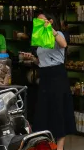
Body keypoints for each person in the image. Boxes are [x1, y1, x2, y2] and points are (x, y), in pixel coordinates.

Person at [23, 11, 72, 140]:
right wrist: (32, 59)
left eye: (42, 21)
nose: (39, 23)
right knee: (43, 112)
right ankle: (45, 145)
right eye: (37, 21)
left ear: (50, 21)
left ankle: (60, 148)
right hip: (45, 77)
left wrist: (51, 30)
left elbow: (64, 44)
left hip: (57, 76)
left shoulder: (57, 34)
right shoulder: (40, 40)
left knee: (58, 111)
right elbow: (41, 61)